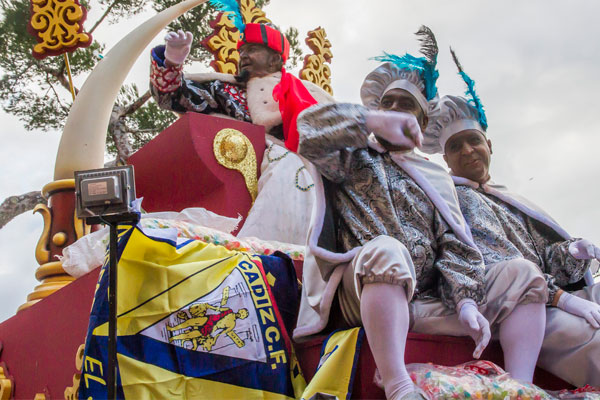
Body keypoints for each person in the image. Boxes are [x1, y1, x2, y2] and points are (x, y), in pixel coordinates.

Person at [293, 27, 548, 400]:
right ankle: (397, 385)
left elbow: (455, 246)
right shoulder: (352, 154)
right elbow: (307, 131)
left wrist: (464, 301)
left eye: (405, 105)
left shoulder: (435, 178)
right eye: (387, 103)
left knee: (521, 273)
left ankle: (521, 389)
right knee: (387, 249)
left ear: (422, 123)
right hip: (359, 292)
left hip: (424, 299)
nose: (394, 110)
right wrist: (369, 123)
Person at [422, 48, 600, 387]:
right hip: (520, 305)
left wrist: (572, 253)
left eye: (473, 141)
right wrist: (565, 301)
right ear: (446, 159)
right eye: (456, 147)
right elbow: (507, 266)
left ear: (489, 144)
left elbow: (548, 260)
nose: (468, 151)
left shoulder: (510, 199)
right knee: (590, 337)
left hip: (549, 294)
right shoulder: (458, 199)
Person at [149, 8, 334, 245]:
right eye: (242, 51)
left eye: (252, 50)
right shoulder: (225, 89)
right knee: (286, 166)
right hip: (248, 170)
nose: (244, 56)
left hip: (312, 168)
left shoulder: (309, 93)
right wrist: (171, 62)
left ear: (275, 59)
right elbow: (174, 97)